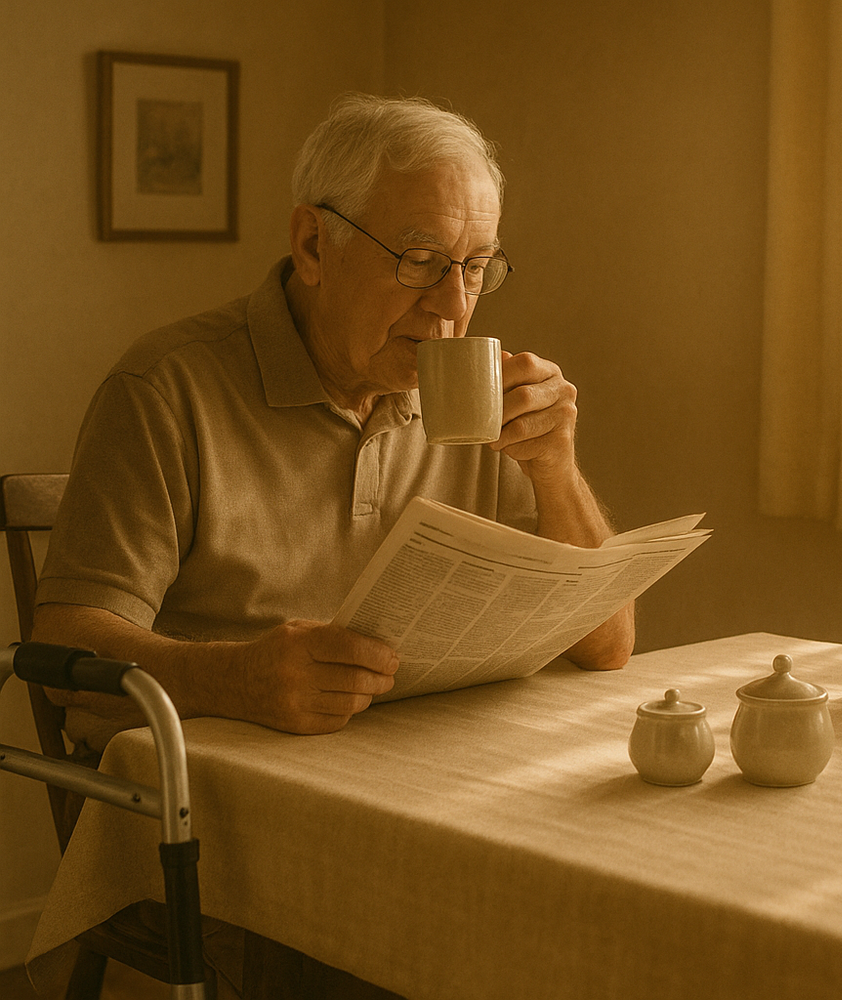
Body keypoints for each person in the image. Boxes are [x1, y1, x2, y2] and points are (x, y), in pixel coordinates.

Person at [32, 93, 635, 754]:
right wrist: (232, 678)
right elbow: (62, 652)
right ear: (314, 245)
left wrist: (556, 470)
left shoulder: (477, 395)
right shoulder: (167, 389)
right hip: (208, 797)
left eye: (475, 267)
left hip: (410, 771)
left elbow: (607, 646)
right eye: (420, 261)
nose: (453, 306)